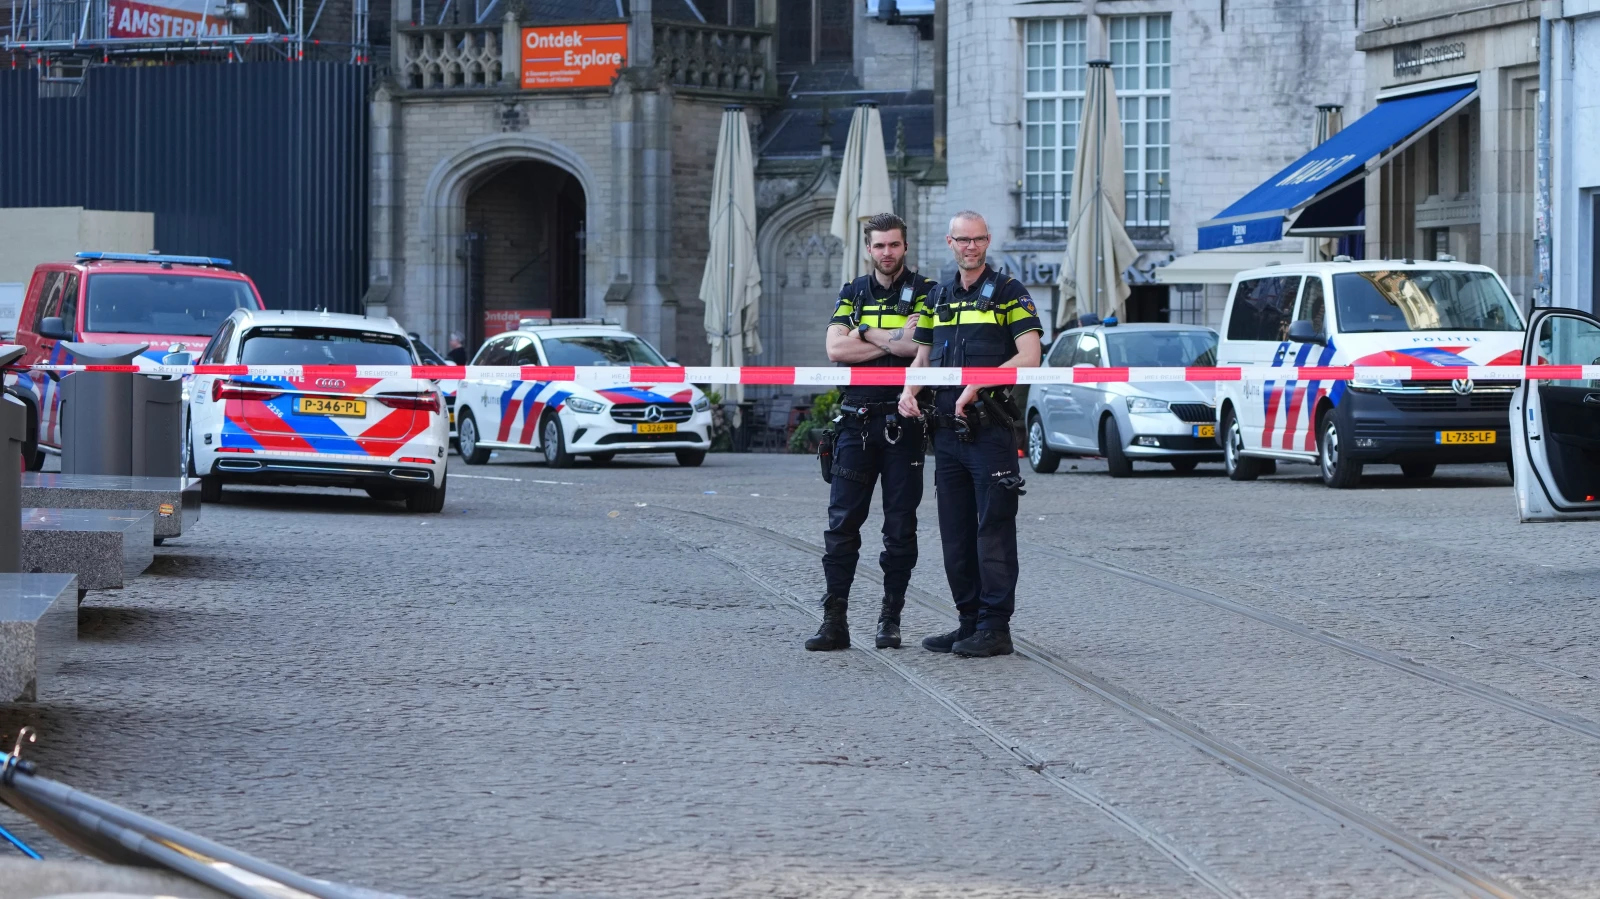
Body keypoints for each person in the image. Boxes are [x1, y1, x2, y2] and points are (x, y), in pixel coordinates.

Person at [897, 211, 1042, 658]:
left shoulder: (1008, 293)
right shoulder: (937, 298)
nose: (971, 247)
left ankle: (996, 628)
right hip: (945, 432)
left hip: (988, 429)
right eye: (963, 240)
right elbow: (922, 360)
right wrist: (908, 391)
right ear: (950, 242)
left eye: (978, 239)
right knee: (955, 534)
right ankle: (967, 622)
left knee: (992, 531)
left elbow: (1030, 356)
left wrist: (977, 383)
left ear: (988, 240)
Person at [806, 213, 939, 652]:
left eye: (894, 245)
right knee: (841, 526)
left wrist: (863, 331)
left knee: (900, 529)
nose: (887, 253)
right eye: (879, 246)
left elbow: (915, 346)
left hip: (904, 423)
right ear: (868, 249)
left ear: (905, 246)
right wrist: (886, 337)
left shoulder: (926, 292)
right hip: (855, 425)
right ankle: (834, 621)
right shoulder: (852, 292)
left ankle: (890, 618)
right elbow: (833, 348)